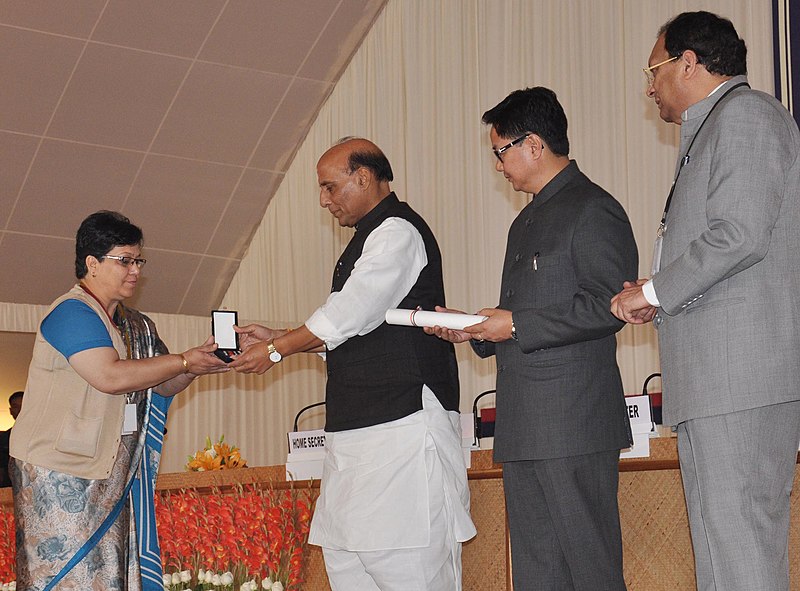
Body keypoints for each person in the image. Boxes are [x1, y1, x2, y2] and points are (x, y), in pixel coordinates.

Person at [230, 137, 476, 591]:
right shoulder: (367, 239)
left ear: (363, 178)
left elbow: (349, 313)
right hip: (356, 437)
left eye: (330, 187)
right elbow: (356, 329)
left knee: (407, 568)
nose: (324, 201)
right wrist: (281, 338)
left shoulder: (397, 231)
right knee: (348, 565)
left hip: (401, 427)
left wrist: (279, 348)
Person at [610, 11, 800, 590]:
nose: (650, 86)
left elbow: (739, 234)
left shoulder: (746, 116)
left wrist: (655, 290)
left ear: (688, 63)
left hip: (738, 380)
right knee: (722, 554)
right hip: (715, 383)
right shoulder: (714, 125)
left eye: (654, 69)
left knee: (740, 551)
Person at [427, 87, 638, 590]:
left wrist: (515, 324)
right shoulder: (524, 221)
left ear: (535, 145)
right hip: (523, 425)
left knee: (591, 569)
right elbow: (517, 317)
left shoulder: (594, 208)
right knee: (537, 573)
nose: (499, 166)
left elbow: (608, 306)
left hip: (573, 423)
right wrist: (471, 328)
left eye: (501, 152)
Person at [10, 211, 229, 590]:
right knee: (66, 579)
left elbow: (160, 385)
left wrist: (197, 366)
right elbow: (109, 376)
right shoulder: (71, 312)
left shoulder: (136, 324)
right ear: (91, 264)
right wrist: (183, 359)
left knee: (107, 576)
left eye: (138, 261)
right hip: (58, 472)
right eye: (124, 261)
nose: (134, 271)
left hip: (111, 472)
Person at [0, 391, 23, 487]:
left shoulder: (44, 435)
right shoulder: (4, 438)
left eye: (23, 405)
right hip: (10, 488)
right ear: (10, 411)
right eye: (16, 406)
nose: (20, 410)